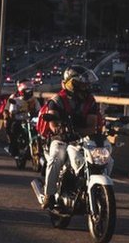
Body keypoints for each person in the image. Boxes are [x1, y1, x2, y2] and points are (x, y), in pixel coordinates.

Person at [37, 65, 102, 210]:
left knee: (103, 158)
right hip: (61, 138)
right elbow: (53, 124)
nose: (86, 86)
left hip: (81, 138)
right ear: (72, 83)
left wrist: (86, 132)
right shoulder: (57, 100)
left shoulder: (90, 101)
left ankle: (95, 190)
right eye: (82, 82)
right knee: (56, 158)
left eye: (86, 83)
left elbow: (92, 124)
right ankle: (50, 194)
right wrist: (60, 128)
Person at [5, 80, 40, 157]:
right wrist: (12, 115)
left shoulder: (34, 100)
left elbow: (39, 110)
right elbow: (10, 111)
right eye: (27, 91)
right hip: (19, 120)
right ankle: (14, 148)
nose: (28, 92)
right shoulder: (15, 99)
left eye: (30, 90)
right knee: (13, 128)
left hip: (30, 120)